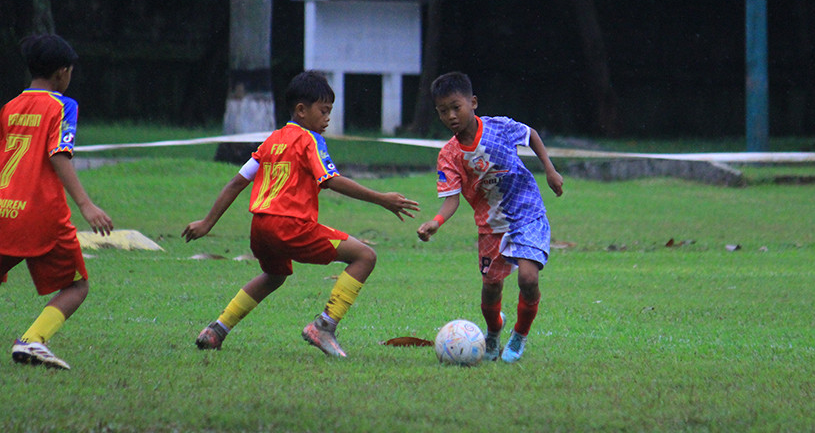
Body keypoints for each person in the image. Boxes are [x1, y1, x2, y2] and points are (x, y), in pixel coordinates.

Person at [183, 70, 419, 358]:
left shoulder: (272, 140)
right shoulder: (311, 140)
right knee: (365, 256)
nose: (327, 118)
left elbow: (236, 182)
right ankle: (324, 326)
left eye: (330, 111)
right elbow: (331, 179)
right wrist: (381, 198)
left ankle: (217, 330)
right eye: (324, 110)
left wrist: (207, 223)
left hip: (260, 227)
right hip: (291, 226)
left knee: (274, 275)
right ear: (301, 110)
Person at [417, 72, 563, 363]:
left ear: (473, 102)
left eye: (456, 107)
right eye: (443, 111)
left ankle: (519, 336)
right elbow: (451, 199)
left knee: (527, 277)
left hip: (527, 213)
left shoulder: (500, 128)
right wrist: (436, 221)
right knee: (491, 290)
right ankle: (494, 332)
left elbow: (530, 134)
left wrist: (549, 169)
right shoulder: (449, 155)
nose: (450, 116)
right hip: (491, 227)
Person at [1, 34, 115, 370]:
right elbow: (59, 155)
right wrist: (86, 205)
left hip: (5, 209)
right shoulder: (63, 105)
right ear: (62, 73)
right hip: (40, 213)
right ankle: (33, 340)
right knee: (77, 285)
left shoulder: (10, 106)